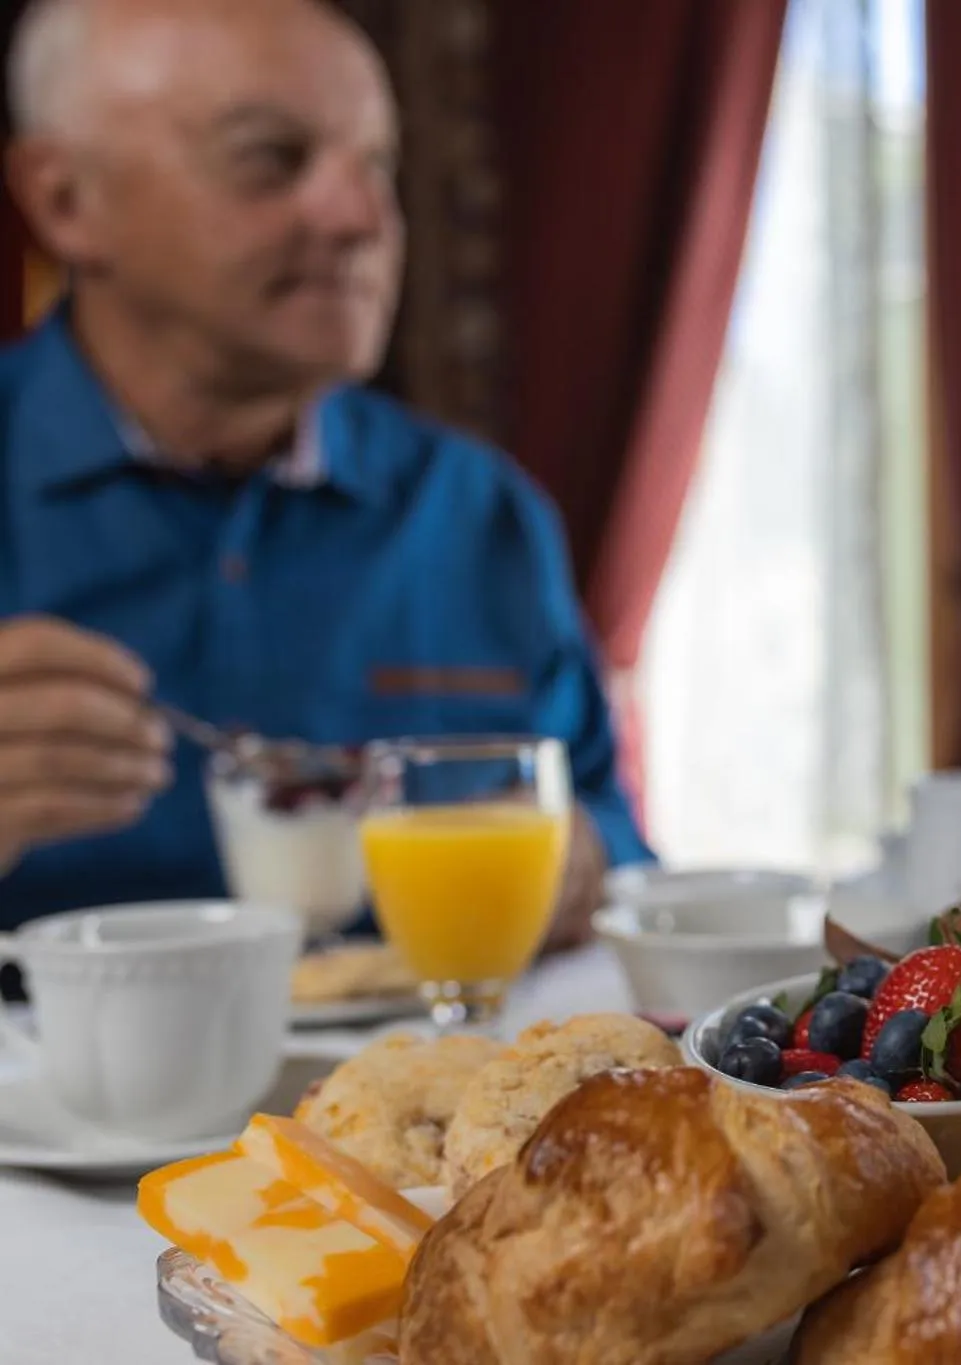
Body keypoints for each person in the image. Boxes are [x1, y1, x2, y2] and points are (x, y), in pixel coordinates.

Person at [0, 0, 652, 935]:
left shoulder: (478, 513)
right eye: (271, 157)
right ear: (65, 200)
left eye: (375, 165)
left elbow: (620, 845)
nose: (362, 217)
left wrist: (584, 860)